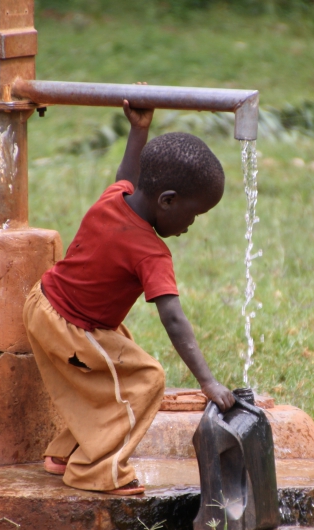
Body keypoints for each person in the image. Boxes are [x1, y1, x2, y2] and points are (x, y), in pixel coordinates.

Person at [22, 100, 235, 496]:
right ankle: (95, 470)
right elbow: (173, 318)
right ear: (167, 201)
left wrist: (138, 129)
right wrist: (208, 382)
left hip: (48, 303)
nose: (190, 226)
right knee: (145, 379)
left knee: (114, 372)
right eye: (193, 215)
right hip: (69, 325)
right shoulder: (151, 252)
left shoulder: (116, 196)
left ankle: (66, 452)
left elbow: (128, 174)